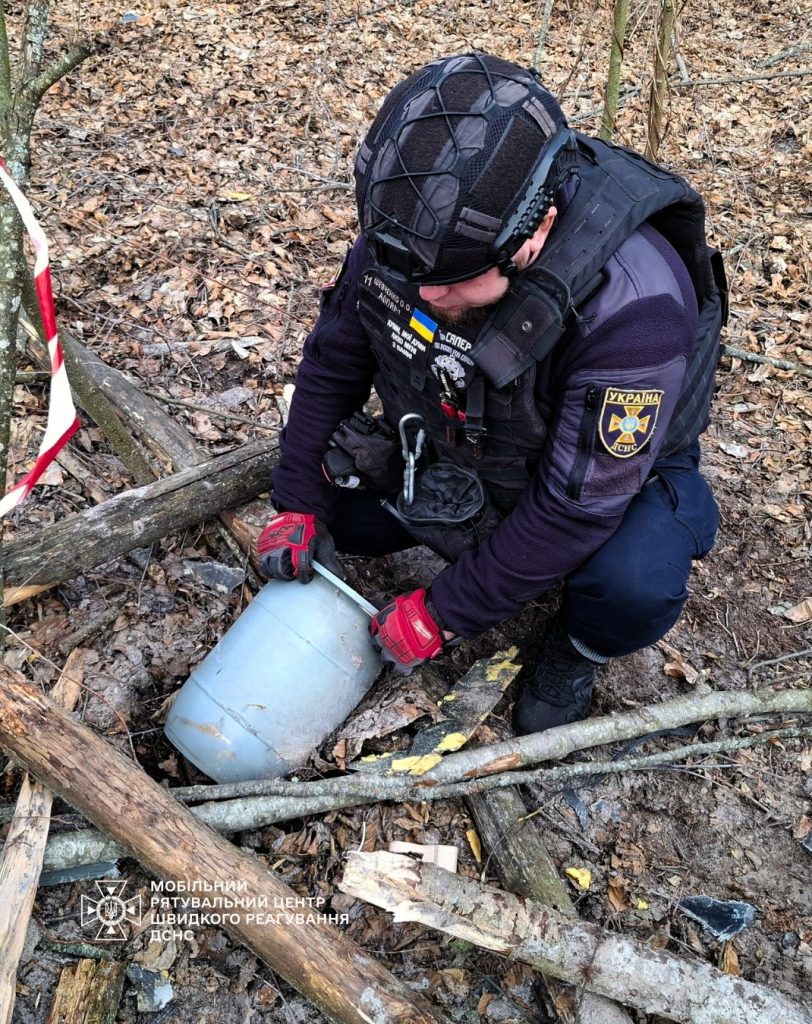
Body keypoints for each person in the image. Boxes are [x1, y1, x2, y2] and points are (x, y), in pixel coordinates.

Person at [256, 53, 727, 735]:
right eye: (413, 280)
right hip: (461, 428)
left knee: (634, 585)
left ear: (535, 232)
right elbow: (335, 356)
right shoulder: (417, 232)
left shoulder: (636, 306)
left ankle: (576, 645)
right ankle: (470, 536)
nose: (425, 297)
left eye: (452, 285)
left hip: (597, 477)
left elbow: (575, 506)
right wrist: (297, 498)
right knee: (343, 522)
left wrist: (443, 613)